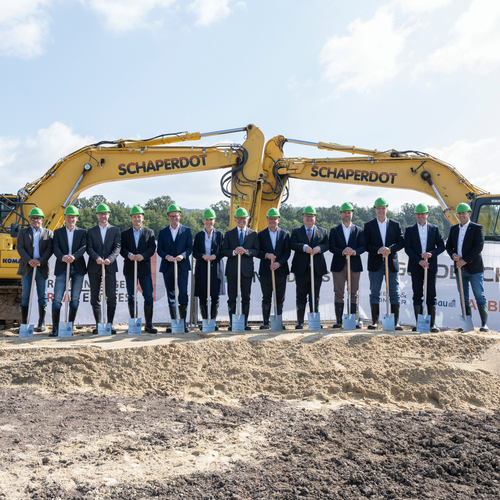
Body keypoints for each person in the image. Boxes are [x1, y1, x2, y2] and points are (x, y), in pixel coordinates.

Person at [445, 202, 489, 332]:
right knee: (463, 296)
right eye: (459, 213)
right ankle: (467, 324)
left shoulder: (477, 228)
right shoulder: (454, 229)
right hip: (459, 268)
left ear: (469, 214)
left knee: (479, 295)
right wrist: (452, 254)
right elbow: (449, 246)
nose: (461, 215)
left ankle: (484, 324)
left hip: (474, 268)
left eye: (464, 213)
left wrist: (465, 261)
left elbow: (478, 247)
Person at [364, 197, 404, 330]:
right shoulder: (368, 225)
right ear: (375, 210)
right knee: (374, 292)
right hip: (375, 263)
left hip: (391, 263)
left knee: (394, 292)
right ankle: (375, 321)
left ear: (387, 208)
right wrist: (378, 250)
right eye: (378, 208)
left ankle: (395, 322)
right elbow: (365, 244)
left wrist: (390, 249)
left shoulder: (395, 225)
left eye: (383, 208)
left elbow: (401, 242)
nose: (381, 210)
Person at [404, 203, 445, 333]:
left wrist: (431, 254)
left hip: (430, 266)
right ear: (416, 215)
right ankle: (420, 323)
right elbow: (408, 248)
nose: (420, 216)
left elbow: (441, 246)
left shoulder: (435, 229)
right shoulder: (410, 230)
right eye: (418, 214)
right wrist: (419, 261)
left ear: (427, 214)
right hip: (416, 267)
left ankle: (432, 324)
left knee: (431, 295)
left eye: (423, 214)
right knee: (417, 295)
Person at [221, 207, 260, 331]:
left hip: (247, 271)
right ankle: (233, 322)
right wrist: (234, 251)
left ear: (247, 219)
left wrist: (246, 251)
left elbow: (257, 251)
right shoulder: (229, 233)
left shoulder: (253, 234)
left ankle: (244, 323)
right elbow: (223, 251)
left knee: (246, 297)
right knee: (232, 297)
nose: (241, 221)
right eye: (239, 218)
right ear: (235, 219)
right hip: (232, 270)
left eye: (244, 218)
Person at [290, 206, 329, 329]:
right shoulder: (296, 231)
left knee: (315, 295)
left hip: (317, 269)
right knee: (301, 295)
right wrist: (303, 247)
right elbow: (292, 244)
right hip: (301, 269)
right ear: (303, 217)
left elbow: (327, 244)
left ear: (315, 218)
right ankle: (300, 321)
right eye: (307, 216)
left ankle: (314, 320)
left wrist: (320, 248)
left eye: (311, 216)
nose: (309, 218)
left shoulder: (322, 231)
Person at [51, 205, 87, 336]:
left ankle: (70, 326)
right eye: (68, 217)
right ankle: (55, 328)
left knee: (75, 298)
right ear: (64, 218)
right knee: (57, 298)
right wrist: (62, 257)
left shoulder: (82, 232)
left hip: (78, 267)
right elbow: (55, 247)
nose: (71, 219)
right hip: (62, 267)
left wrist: (74, 256)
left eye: (73, 217)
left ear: (77, 218)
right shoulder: (58, 232)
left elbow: (83, 247)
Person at [121, 205, 157, 334]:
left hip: (144, 268)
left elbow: (152, 248)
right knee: (131, 296)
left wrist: (143, 256)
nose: (137, 219)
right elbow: (122, 248)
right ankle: (134, 323)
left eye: (139, 217)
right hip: (130, 268)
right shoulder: (124, 233)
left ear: (142, 218)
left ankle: (149, 324)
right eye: (134, 217)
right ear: (131, 218)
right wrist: (129, 255)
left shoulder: (149, 232)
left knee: (148, 295)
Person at [329, 202, 365, 329]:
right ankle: (339, 321)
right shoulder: (334, 230)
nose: (346, 214)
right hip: (338, 265)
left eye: (349, 212)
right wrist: (343, 251)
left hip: (354, 265)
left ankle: (352, 319)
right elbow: (331, 246)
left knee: (353, 293)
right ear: (341, 214)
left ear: (352, 214)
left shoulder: (359, 230)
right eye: (344, 212)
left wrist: (353, 252)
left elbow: (363, 246)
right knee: (338, 292)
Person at [157, 203, 193, 333]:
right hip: (168, 267)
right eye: (171, 216)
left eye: (176, 216)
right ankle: (174, 323)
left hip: (182, 267)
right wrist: (166, 256)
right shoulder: (162, 232)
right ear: (168, 217)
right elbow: (159, 249)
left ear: (180, 216)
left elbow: (190, 247)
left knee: (183, 293)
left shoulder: (187, 230)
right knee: (171, 294)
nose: (174, 218)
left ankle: (182, 324)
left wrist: (182, 256)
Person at [16, 207, 53, 332]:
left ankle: (41, 322)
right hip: (27, 268)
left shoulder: (48, 233)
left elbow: (49, 249)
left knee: (42, 296)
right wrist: (29, 260)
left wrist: (40, 261)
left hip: (41, 268)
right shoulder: (23, 232)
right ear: (29, 220)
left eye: (37, 218)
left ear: (42, 220)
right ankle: (24, 323)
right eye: (33, 218)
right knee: (26, 295)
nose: (35, 220)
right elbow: (20, 248)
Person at [87, 203, 121, 334]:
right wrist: (96, 258)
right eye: (100, 214)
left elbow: (117, 247)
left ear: (109, 215)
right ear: (97, 215)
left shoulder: (115, 230)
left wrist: (110, 259)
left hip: (110, 267)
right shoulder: (90, 231)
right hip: (94, 268)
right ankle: (98, 324)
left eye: (105, 213)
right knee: (95, 296)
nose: (103, 216)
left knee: (111, 296)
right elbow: (89, 247)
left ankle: (109, 324)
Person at [257, 208, 290, 329]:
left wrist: (279, 263)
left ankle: (278, 321)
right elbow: (257, 252)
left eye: (274, 219)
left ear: (278, 220)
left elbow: (287, 252)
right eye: (270, 218)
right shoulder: (261, 235)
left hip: (280, 271)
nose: (272, 221)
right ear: (267, 220)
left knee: (280, 297)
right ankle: (265, 322)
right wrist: (266, 255)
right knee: (266, 297)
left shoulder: (285, 234)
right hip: (266, 271)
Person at [193, 208, 225, 330]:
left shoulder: (220, 234)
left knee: (215, 296)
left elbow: (223, 251)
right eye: (206, 219)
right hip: (202, 268)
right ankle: (205, 322)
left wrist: (215, 256)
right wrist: (202, 256)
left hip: (216, 268)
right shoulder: (199, 235)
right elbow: (195, 252)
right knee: (203, 295)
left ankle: (212, 322)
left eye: (211, 219)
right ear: (203, 220)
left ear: (214, 220)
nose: (208, 222)